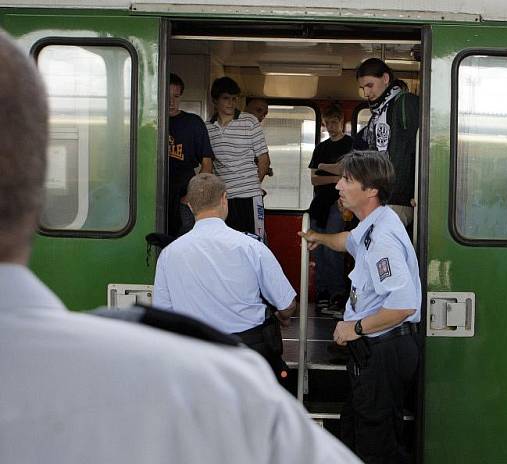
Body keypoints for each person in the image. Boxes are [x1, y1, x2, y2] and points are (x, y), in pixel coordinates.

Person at [0, 28, 358, 464]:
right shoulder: (237, 375)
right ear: (37, 191)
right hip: (252, 346)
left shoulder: (171, 256)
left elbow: (167, 312)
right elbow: (286, 304)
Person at [298, 151, 421, 463]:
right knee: (355, 431)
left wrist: (354, 328)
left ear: (371, 190)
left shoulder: (383, 237)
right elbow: (347, 241)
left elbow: (404, 305)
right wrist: (318, 238)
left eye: (347, 180)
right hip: (373, 350)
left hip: (383, 349)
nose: (338, 186)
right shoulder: (372, 225)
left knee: (376, 445)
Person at [153, 173, 297, 383]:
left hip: (195, 359)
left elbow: (163, 316)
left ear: (190, 206)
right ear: (224, 199)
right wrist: (283, 316)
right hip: (248, 357)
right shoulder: (252, 247)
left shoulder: (169, 254)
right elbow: (287, 305)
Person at [354, 58, 420, 227]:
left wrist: (419, 192)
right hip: (381, 198)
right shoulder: (375, 118)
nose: (366, 93)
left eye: (370, 85)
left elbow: (421, 150)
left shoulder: (406, 104)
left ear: (385, 78)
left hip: (400, 199)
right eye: (363, 88)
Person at [206, 77, 270, 241]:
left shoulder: (250, 121)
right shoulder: (207, 128)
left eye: (234, 99)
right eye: (226, 98)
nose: (231, 103)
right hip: (223, 197)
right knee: (227, 242)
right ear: (215, 100)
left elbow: (264, 159)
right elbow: (208, 164)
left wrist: (254, 186)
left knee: (255, 241)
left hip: (250, 195)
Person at [309, 104, 353, 313]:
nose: (331, 127)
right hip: (319, 205)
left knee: (334, 250)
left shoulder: (350, 145)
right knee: (318, 251)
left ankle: (337, 294)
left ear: (341, 121)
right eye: (327, 123)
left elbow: (349, 175)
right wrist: (335, 173)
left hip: (340, 205)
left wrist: (325, 168)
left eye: (334, 122)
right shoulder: (321, 148)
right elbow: (314, 180)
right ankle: (322, 293)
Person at [167, 73, 214, 237]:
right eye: (166, 96)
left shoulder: (193, 123)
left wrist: (190, 196)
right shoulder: (148, 123)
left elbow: (207, 166)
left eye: (176, 96)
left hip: (185, 193)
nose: (171, 102)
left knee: (185, 243)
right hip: (154, 195)